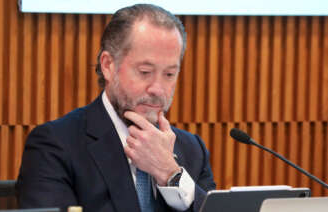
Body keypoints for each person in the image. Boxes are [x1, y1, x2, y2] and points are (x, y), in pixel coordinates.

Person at [16, 4, 216, 212]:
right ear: (108, 65)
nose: (158, 89)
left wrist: (171, 175)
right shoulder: (56, 146)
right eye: (145, 71)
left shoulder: (192, 150)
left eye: (169, 74)